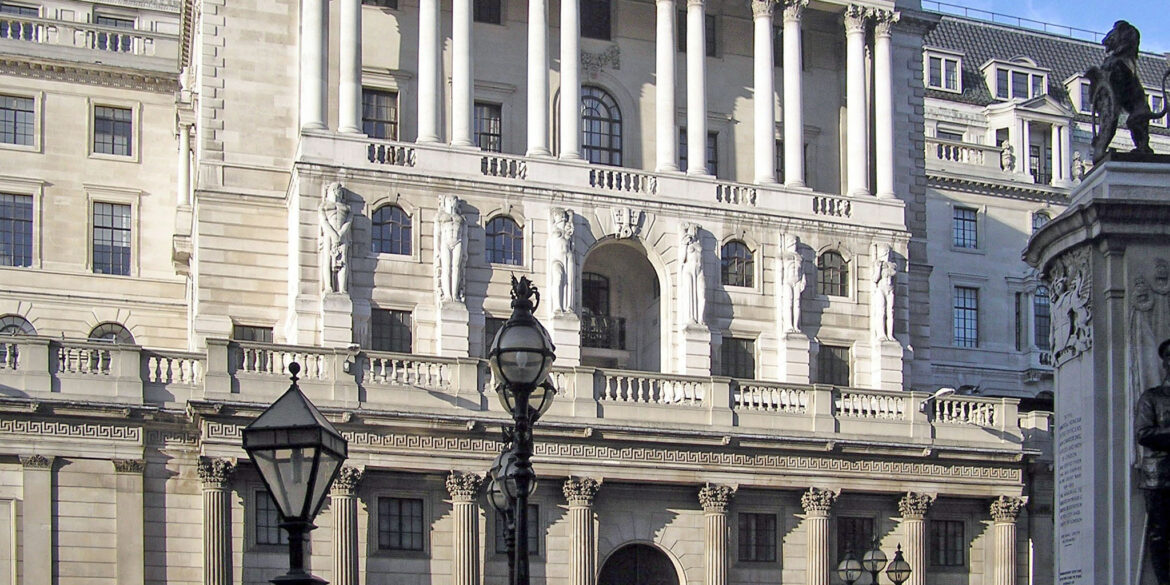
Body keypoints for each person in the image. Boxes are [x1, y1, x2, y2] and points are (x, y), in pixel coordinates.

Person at [1136, 338, 1170, 585]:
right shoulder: (1152, 397)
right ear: (1165, 363)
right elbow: (1143, 434)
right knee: (1161, 534)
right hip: (1160, 477)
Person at [318, 182, 352, 293]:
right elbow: (323, 221)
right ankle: (328, 286)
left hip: (342, 235)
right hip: (329, 234)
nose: (341, 193)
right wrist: (333, 235)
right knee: (327, 259)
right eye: (339, 190)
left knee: (343, 262)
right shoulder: (324, 206)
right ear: (333, 191)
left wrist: (341, 233)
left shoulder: (347, 208)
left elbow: (349, 221)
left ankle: (342, 288)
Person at [434, 195, 467, 303]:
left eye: (454, 200)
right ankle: (447, 295)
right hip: (445, 242)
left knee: (456, 268)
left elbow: (465, 235)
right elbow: (437, 234)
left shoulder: (461, 219)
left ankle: (455, 295)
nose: (452, 202)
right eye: (450, 200)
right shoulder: (441, 216)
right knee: (446, 268)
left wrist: (465, 250)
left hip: (458, 242)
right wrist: (437, 249)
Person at [549, 209, 575, 313]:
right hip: (557, 258)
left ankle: (569, 306)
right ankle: (557, 306)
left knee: (570, 281)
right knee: (558, 279)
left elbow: (571, 233)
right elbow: (551, 222)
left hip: (568, 256)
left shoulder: (567, 227)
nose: (563, 218)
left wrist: (571, 217)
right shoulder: (554, 228)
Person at [679, 224, 705, 325]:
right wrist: (684, 245)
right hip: (688, 270)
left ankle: (701, 318)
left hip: (700, 271)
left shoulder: (699, 243)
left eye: (695, 230)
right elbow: (682, 259)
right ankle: (690, 318)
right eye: (692, 229)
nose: (694, 232)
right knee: (689, 293)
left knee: (702, 296)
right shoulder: (686, 244)